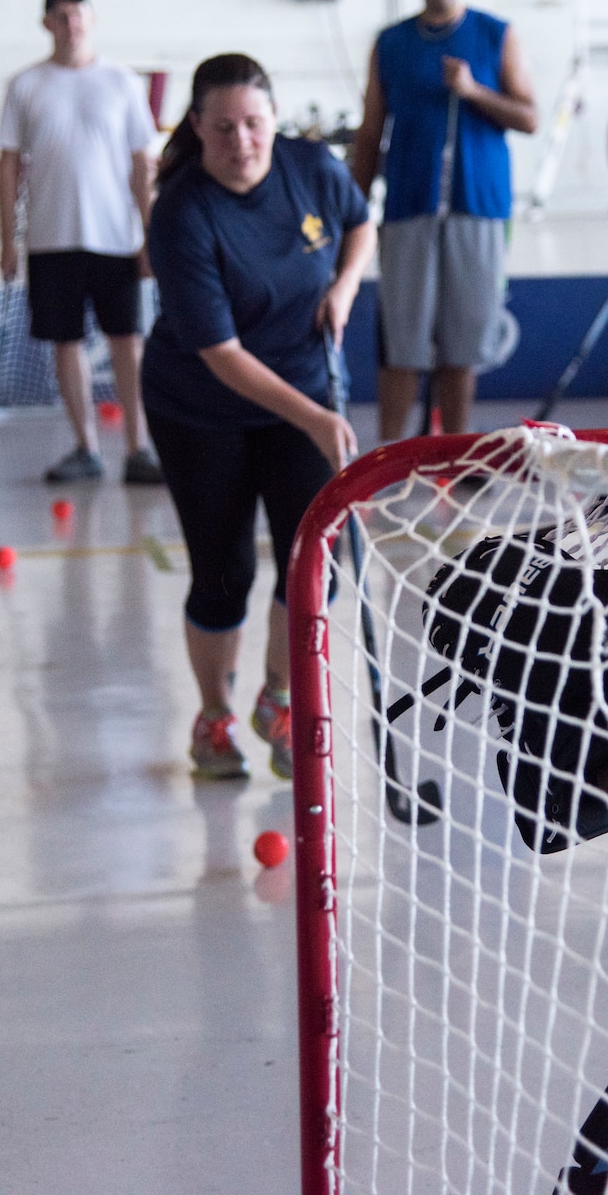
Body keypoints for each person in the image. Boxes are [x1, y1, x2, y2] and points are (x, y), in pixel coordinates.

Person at [142, 54, 371, 780]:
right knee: (225, 571)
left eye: (254, 124)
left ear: (273, 121)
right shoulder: (181, 212)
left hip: (301, 387)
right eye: (223, 127)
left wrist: (342, 288)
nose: (241, 141)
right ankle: (214, 716)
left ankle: (278, 696)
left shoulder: (309, 165)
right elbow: (219, 352)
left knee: (313, 560)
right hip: (202, 407)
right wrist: (314, 418)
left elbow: (361, 222)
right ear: (197, 128)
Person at [349, 0, 536, 440]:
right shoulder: (391, 43)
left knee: (462, 346)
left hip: (479, 208)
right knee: (402, 344)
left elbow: (529, 117)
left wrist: (475, 91)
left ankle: (454, 453)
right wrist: (351, 208)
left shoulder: (497, 34)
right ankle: (389, 457)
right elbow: (370, 132)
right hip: (409, 206)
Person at [0, 0, 164, 484]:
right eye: (61, 16)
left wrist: (150, 232)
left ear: (92, 20)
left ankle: (139, 448)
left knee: (127, 342)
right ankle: (86, 447)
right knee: (64, 343)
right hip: (50, 238)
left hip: (115, 238)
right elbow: (9, 167)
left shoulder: (121, 82)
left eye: (78, 15)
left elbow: (142, 163)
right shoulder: (25, 85)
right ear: (47, 23)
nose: (71, 24)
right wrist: (9, 239)